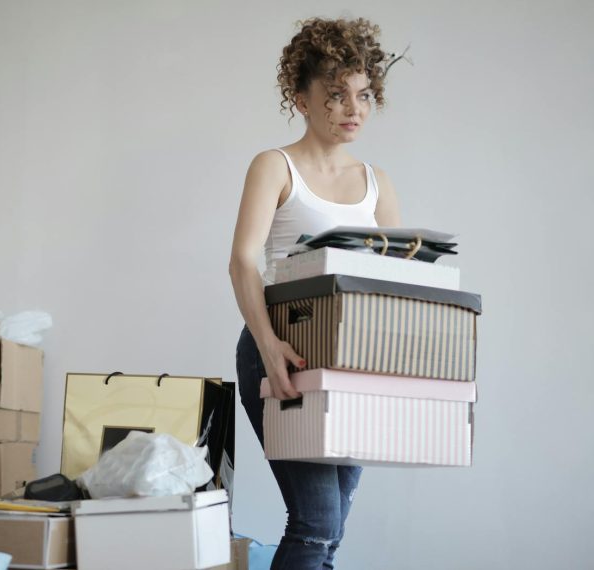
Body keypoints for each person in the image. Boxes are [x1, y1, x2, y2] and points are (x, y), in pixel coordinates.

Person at [228, 17, 402, 570]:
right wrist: (268, 345)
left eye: (363, 94)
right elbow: (242, 261)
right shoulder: (275, 166)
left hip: (352, 362)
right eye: (335, 95)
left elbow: (395, 283)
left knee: (331, 528)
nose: (353, 108)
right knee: (316, 522)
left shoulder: (377, 182)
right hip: (282, 349)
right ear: (301, 99)